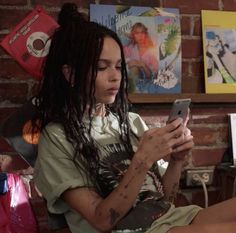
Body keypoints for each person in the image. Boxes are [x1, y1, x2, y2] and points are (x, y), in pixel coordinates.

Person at [33, 3, 236, 233]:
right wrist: (142, 159)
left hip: (169, 220)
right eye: (102, 67)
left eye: (119, 67)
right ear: (70, 74)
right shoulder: (57, 137)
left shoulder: (130, 121)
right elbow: (102, 221)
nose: (115, 77)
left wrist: (177, 159)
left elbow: (165, 202)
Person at [123, 22, 158, 92]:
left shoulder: (152, 51)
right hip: (130, 83)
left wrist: (143, 65)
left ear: (145, 34)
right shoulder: (128, 48)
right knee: (134, 68)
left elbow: (153, 76)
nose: (140, 36)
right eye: (137, 33)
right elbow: (122, 66)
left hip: (147, 86)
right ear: (133, 35)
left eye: (142, 33)